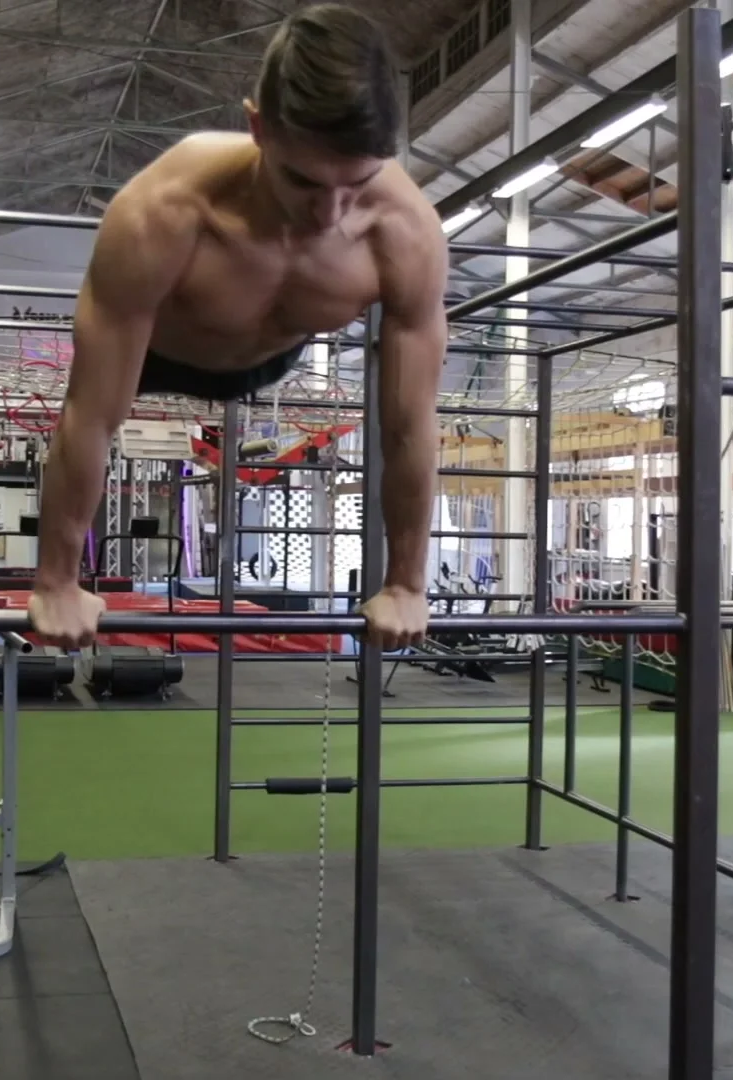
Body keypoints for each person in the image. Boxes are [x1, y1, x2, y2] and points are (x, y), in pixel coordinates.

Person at [27, 4, 449, 653]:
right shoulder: (162, 213)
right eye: (304, 180)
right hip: (162, 354)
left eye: (356, 185)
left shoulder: (406, 234)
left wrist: (407, 584)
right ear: (257, 128)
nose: (330, 212)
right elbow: (89, 416)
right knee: (100, 397)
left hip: (276, 354)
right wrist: (57, 580)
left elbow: (408, 425)